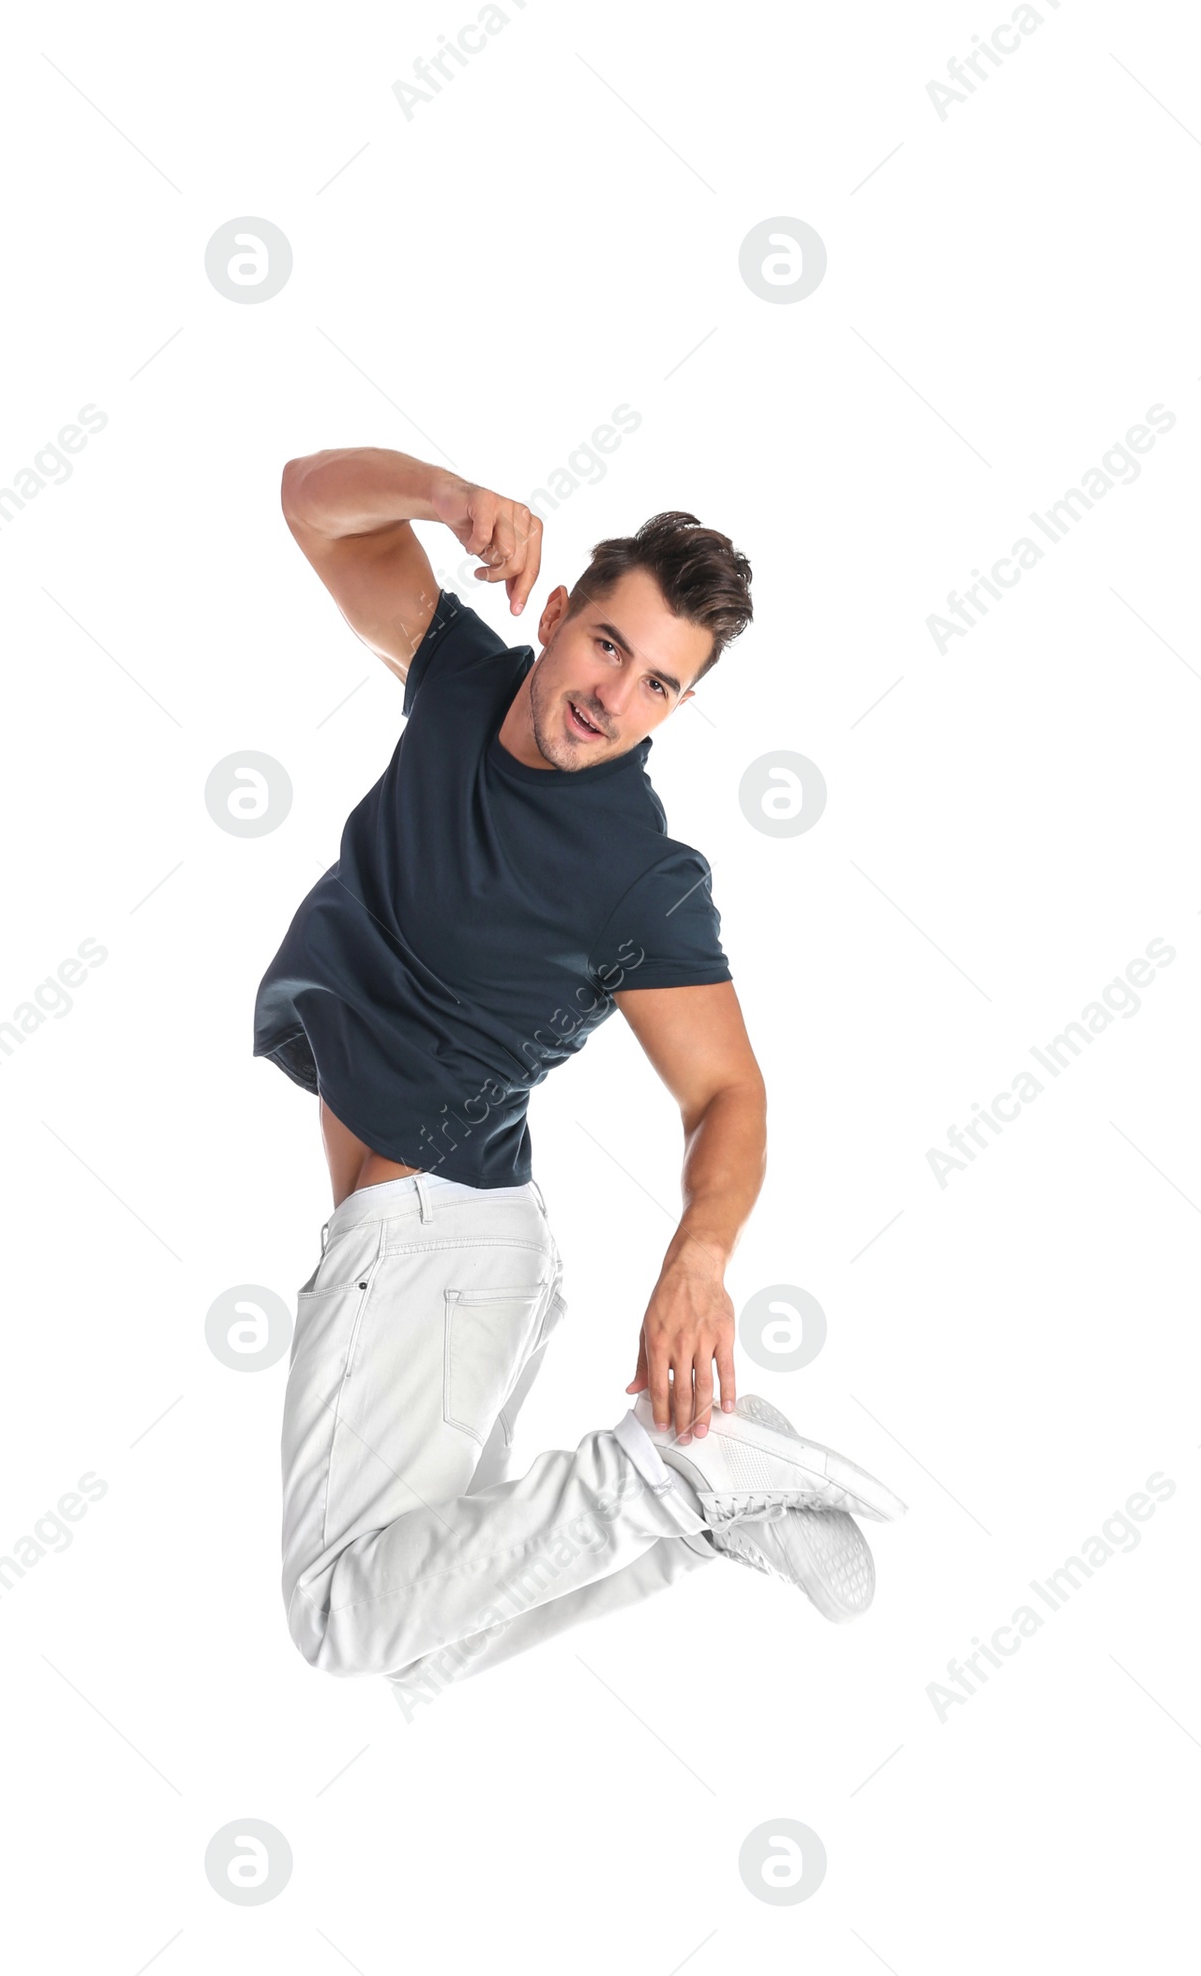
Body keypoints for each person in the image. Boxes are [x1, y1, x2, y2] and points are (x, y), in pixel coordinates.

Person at [255, 447, 905, 1698]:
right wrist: (449, 500)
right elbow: (308, 504)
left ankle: (669, 1472)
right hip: (466, 1250)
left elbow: (731, 1095)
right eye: (609, 646)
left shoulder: (636, 878)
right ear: (553, 616)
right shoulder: (456, 679)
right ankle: (705, 1505)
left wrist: (699, 1262)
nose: (616, 695)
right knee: (419, 1641)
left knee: (343, 1618)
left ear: (676, 707)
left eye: (660, 682)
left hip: (430, 1240)